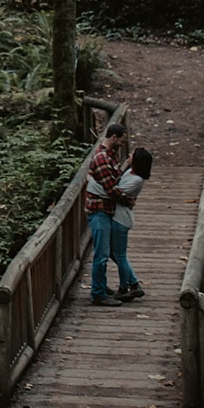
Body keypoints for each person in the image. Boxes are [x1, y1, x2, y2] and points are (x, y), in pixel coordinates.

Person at [83, 121, 136, 306]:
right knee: (102, 254)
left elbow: (115, 179)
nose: (122, 144)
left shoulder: (110, 156)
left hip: (106, 209)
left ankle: (101, 287)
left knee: (103, 252)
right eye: (121, 141)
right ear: (113, 137)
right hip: (99, 210)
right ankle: (98, 294)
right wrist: (128, 200)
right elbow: (111, 188)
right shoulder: (102, 158)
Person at [105, 147, 151, 302]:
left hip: (121, 219)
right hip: (117, 216)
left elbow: (116, 192)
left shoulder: (137, 180)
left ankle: (126, 286)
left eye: (133, 155)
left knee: (119, 255)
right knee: (114, 253)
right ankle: (131, 283)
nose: (129, 155)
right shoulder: (129, 172)